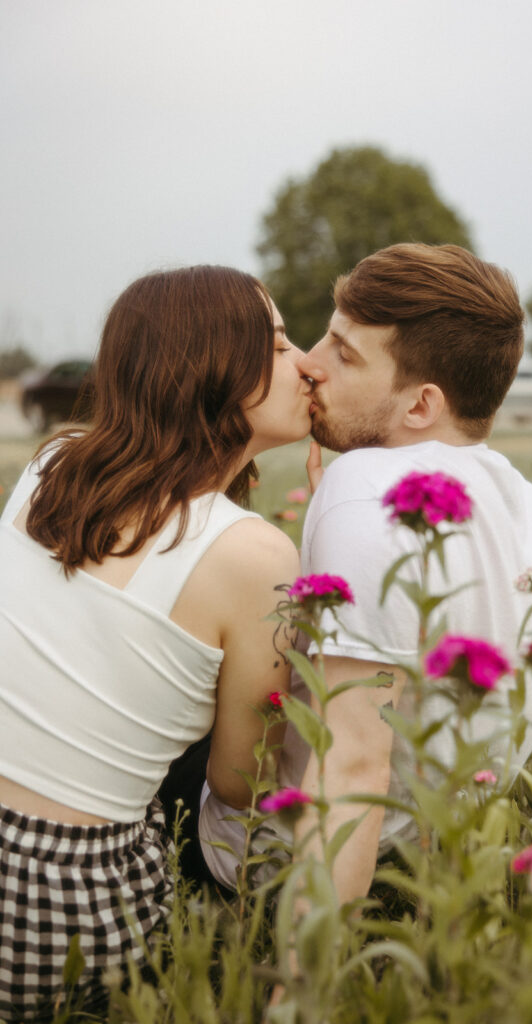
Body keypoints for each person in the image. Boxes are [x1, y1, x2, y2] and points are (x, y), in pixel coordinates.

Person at [199, 243, 532, 904]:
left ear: (419, 407)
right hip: (436, 853)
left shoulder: (364, 486)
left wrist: (303, 991)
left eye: (344, 352)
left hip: (274, 862)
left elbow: (355, 757)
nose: (308, 364)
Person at [0, 265, 311, 1016]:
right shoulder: (255, 554)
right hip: (58, 902)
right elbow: (242, 784)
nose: (306, 362)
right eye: (274, 345)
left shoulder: (54, 466)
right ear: (214, 370)